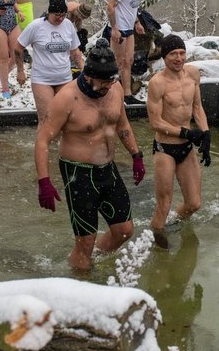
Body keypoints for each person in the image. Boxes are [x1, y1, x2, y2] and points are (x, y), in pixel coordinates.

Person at [34, 39, 146, 271]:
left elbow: (122, 124)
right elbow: (43, 140)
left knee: (124, 231)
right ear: (88, 76)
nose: (107, 86)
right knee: (85, 240)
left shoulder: (114, 89)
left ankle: (84, 258)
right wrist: (44, 181)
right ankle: (82, 277)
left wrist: (136, 156)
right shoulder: (67, 98)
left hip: (108, 168)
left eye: (111, 80)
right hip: (78, 172)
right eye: (103, 82)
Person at [145, 35, 210, 246]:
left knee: (194, 203)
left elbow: (197, 107)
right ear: (165, 57)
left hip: (186, 148)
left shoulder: (192, 74)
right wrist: (185, 133)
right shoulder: (157, 83)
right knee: (164, 204)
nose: (178, 58)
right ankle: (157, 240)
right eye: (173, 54)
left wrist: (205, 134)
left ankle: (172, 224)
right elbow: (155, 122)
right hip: (165, 148)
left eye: (181, 53)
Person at [15, 0, 83, 125]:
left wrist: (84, 71)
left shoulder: (68, 25)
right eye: (57, 15)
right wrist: (20, 71)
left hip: (64, 78)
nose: (61, 18)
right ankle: (43, 145)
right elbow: (18, 48)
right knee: (46, 119)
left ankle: (61, 145)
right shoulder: (36, 26)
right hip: (42, 79)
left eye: (63, 15)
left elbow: (75, 52)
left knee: (66, 118)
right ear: (49, 12)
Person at [107, 0, 151, 106]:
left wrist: (137, 23)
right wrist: (114, 28)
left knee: (129, 61)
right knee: (118, 63)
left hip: (129, 29)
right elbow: (110, 6)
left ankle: (127, 94)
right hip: (119, 29)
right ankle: (111, 94)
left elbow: (132, 7)